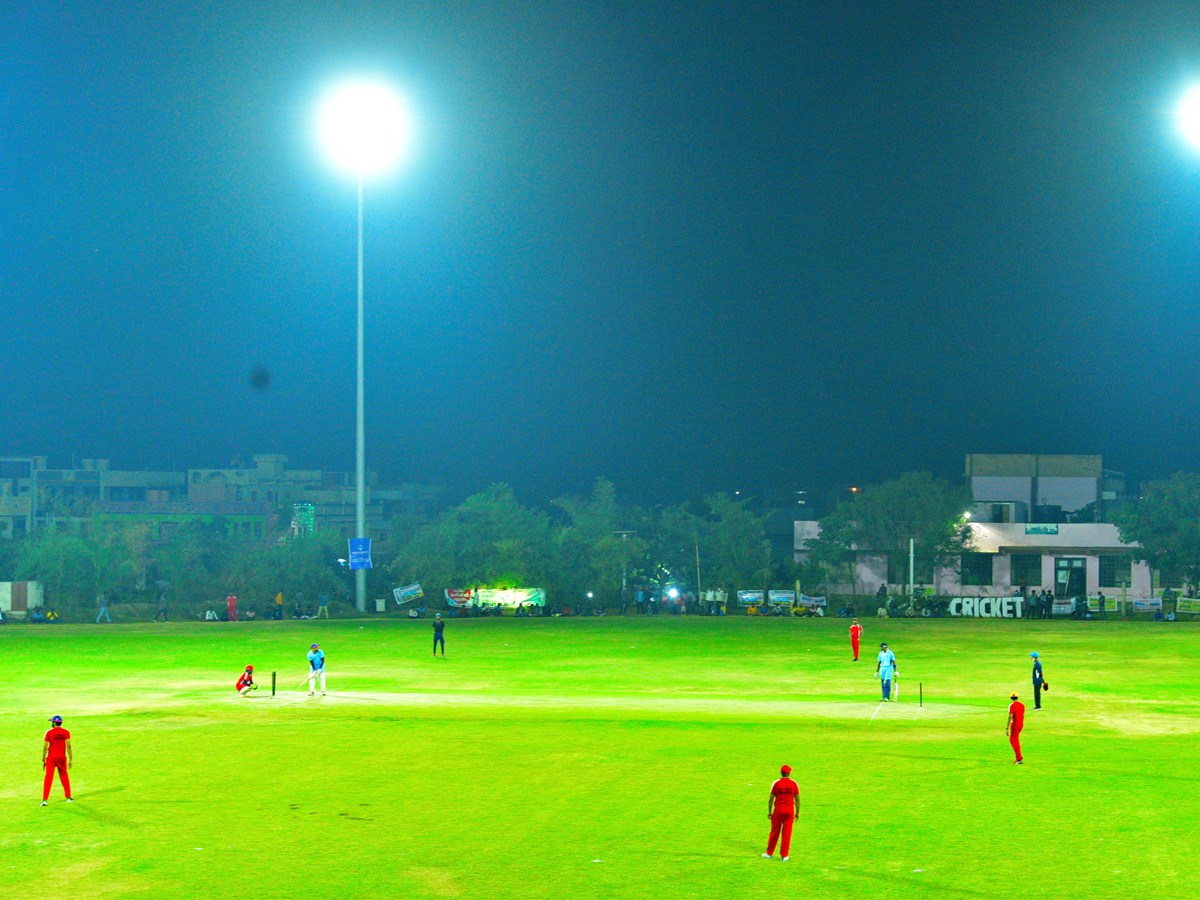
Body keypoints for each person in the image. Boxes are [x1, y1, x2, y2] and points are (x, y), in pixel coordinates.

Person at [761, 764, 799, 861]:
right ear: (789, 773)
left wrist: (769, 811)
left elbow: (771, 799)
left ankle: (769, 853)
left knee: (774, 832)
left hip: (778, 810)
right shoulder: (794, 783)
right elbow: (797, 799)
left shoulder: (776, 783)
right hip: (790, 810)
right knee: (787, 833)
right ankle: (784, 856)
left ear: (781, 773)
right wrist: (797, 812)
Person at [41, 715, 74, 806]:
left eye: (52, 722)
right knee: (64, 777)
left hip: (51, 758)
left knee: (48, 778)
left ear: (54, 723)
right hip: (62, 757)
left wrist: (43, 759)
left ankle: (45, 800)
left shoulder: (49, 732)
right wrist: (71, 759)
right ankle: (68, 797)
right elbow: (69, 746)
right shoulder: (66, 732)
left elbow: (45, 747)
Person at [1007, 691, 1025, 764]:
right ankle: (1019, 754)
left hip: (1015, 724)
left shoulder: (1012, 706)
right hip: (1020, 724)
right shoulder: (1022, 705)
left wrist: (1007, 728)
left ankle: (1019, 758)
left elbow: (1010, 717)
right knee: (1012, 739)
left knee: (1015, 740)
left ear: (1011, 698)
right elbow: (1023, 715)